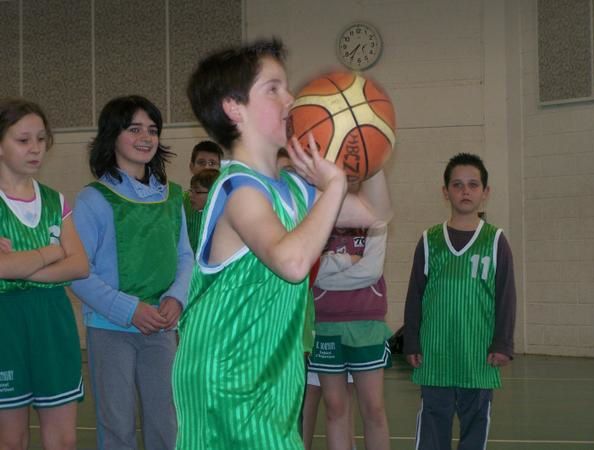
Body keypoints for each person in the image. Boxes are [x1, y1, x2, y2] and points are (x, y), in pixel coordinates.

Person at [172, 38, 392, 449]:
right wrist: (334, 187)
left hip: (272, 370)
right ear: (233, 108)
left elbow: (376, 214)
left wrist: (366, 144)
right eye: (273, 88)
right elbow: (292, 262)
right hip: (225, 374)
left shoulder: (292, 185)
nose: (291, 98)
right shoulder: (239, 189)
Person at [70, 95, 194, 450]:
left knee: (166, 424)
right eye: (134, 128)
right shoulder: (93, 199)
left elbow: (186, 255)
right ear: (113, 137)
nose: (146, 137)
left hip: (161, 327)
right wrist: (129, 309)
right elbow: (79, 273)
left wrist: (176, 297)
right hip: (111, 331)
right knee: (118, 427)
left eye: (152, 130)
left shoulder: (172, 196)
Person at [403, 152, 516, 450]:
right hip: (435, 354)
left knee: (475, 427)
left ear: (485, 192)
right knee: (432, 428)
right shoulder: (430, 240)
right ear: (445, 192)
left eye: (473, 185)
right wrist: (412, 341)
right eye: (457, 185)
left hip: (477, 355)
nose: (465, 191)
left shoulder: (495, 240)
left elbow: (506, 296)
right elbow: (415, 294)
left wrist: (503, 343)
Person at [0, 98, 88, 450]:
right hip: (6, 325)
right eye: (23, 140)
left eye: (40, 139)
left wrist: (21, 267)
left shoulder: (54, 200)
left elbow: (80, 265)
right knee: (10, 440)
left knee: (63, 440)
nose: (35, 148)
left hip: (53, 320)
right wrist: (51, 253)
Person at [308, 224, 391, 450]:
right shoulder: (318, 213)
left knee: (373, 407)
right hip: (325, 324)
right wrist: (349, 261)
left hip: (367, 322)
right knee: (334, 407)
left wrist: (328, 268)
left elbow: (372, 270)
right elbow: (311, 268)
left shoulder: (374, 216)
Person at [183, 140, 223, 252]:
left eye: (212, 163)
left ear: (220, 168)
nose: (206, 167)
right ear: (191, 166)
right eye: (201, 162)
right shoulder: (180, 202)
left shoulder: (230, 201)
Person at [186, 168, 220, 253]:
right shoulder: (193, 215)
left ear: (213, 193)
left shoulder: (223, 222)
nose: (190, 195)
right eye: (191, 190)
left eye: (197, 191)